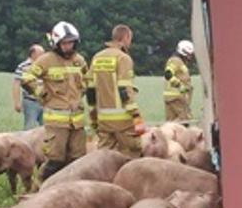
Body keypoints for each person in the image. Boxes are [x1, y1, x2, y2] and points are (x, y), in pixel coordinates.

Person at [21, 21, 90, 178]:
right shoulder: (46, 60)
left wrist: (81, 92)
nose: (68, 46)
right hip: (56, 122)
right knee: (55, 160)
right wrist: (41, 93)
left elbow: (88, 79)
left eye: (71, 43)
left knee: (78, 160)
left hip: (77, 121)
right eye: (64, 43)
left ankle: (71, 188)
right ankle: (39, 187)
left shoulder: (79, 60)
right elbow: (27, 77)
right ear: (56, 43)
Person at [89, 25, 147, 157]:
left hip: (103, 119)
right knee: (131, 154)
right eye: (130, 39)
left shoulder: (97, 57)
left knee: (104, 157)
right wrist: (136, 115)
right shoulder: (123, 58)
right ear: (126, 37)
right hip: (123, 120)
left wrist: (93, 116)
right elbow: (124, 88)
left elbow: (90, 89)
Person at [164, 39, 196, 123]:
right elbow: (168, 74)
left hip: (172, 97)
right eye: (189, 54)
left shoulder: (179, 62)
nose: (190, 57)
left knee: (170, 121)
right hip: (177, 96)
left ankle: (166, 130)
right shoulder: (175, 61)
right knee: (185, 119)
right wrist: (180, 86)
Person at [14, 44, 45, 130]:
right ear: (33, 54)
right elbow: (16, 84)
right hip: (30, 102)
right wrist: (17, 102)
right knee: (30, 127)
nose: (43, 56)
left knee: (46, 128)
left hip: (45, 102)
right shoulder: (23, 66)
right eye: (41, 53)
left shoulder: (44, 66)